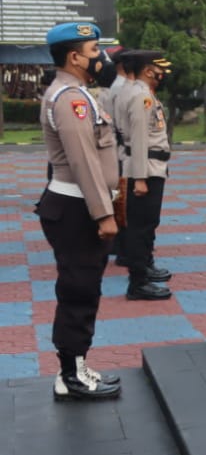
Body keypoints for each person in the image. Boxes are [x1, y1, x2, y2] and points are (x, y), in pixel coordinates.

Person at [38, 22, 122, 401]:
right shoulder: (70, 98)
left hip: (76, 204)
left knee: (83, 289)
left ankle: (75, 366)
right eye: (94, 50)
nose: (100, 57)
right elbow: (84, 161)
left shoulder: (77, 94)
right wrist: (104, 214)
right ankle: (71, 375)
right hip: (77, 208)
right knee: (78, 291)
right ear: (74, 57)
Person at [113, 50, 174, 301]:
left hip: (150, 166)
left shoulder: (142, 93)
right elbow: (138, 139)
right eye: (159, 69)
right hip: (146, 169)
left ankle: (144, 270)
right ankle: (137, 282)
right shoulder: (141, 97)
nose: (163, 74)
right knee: (141, 226)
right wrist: (139, 178)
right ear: (149, 70)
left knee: (147, 223)